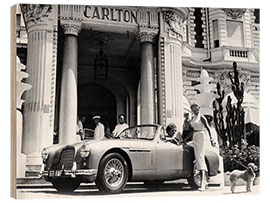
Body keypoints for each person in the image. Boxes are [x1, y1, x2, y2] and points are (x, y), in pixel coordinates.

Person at [190, 103, 215, 191]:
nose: (196, 111)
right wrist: (185, 140)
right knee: (198, 159)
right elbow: (192, 130)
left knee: (200, 158)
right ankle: (205, 181)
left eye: (197, 109)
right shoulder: (193, 118)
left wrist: (212, 139)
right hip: (195, 136)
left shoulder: (201, 117)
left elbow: (208, 127)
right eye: (194, 110)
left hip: (201, 136)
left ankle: (203, 183)